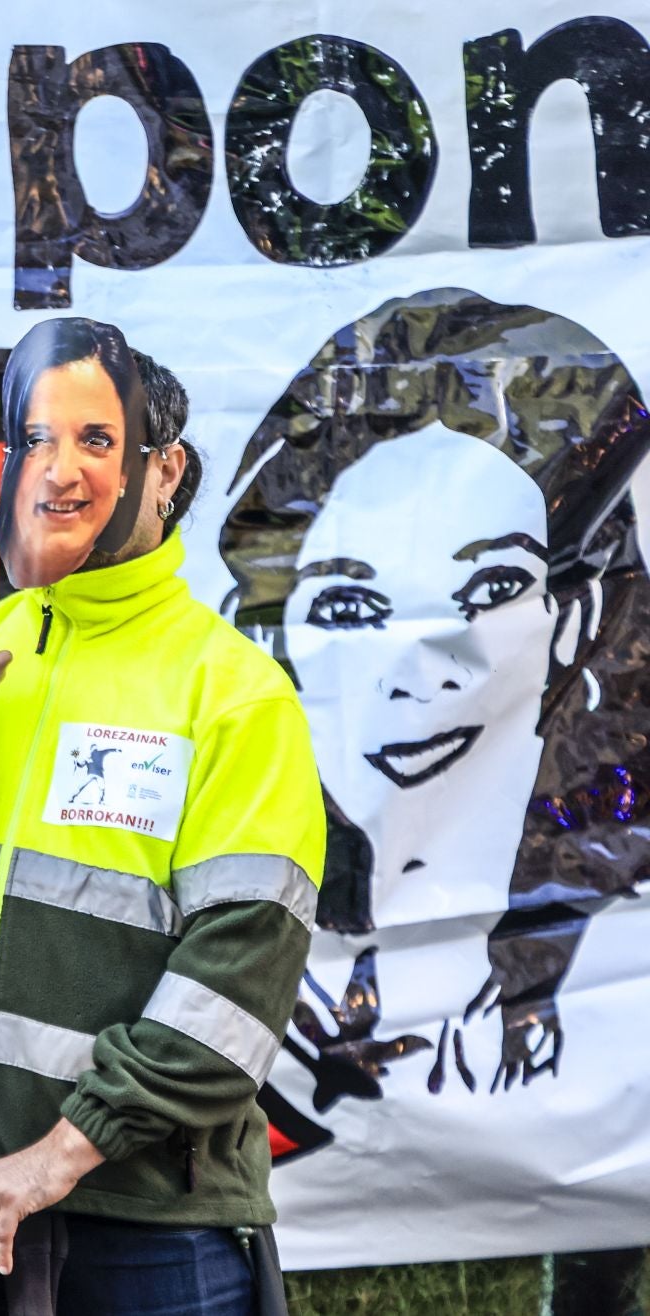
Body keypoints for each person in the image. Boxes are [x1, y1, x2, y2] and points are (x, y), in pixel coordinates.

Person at [0, 320, 323, 1316]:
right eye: (37, 440)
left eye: (99, 440)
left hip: (145, 1229)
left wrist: (59, 1152)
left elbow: (236, 982)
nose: (63, 469)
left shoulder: (233, 692)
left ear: (165, 472)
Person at [217, 288, 650, 1118]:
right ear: (273, 638)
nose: (422, 662)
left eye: (489, 589)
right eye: (348, 608)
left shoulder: (621, 959)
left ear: (576, 621)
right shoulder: (220, 938)